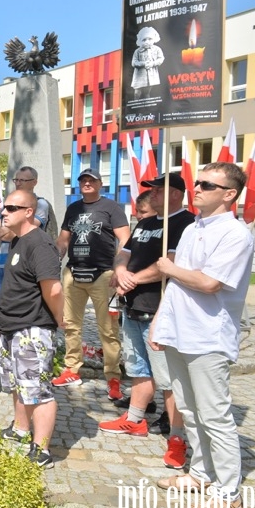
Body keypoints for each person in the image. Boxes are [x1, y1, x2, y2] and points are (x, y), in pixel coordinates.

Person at [152, 163, 255, 508]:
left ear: (229, 194)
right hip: (179, 330)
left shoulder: (235, 234)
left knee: (215, 416)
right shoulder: (195, 227)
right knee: (190, 410)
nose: (197, 188)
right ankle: (201, 473)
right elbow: (179, 283)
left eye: (207, 185)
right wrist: (160, 323)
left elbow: (210, 283)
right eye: (198, 182)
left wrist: (169, 268)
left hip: (208, 335)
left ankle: (228, 496)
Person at [99, 174, 195, 473]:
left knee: (168, 381)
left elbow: (170, 265)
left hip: (161, 311)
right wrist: (121, 270)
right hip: (133, 307)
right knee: (138, 368)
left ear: (176, 194)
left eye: (158, 190)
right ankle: (136, 418)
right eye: (151, 190)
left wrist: (131, 279)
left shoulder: (185, 224)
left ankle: (177, 439)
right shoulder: (146, 223)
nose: (151, 194)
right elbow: (124, 253)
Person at [0, 190, 63, 468]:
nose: (4, 212)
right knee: (18, 385)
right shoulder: (18, 240)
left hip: (32, 329)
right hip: (12, 326)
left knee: (37, 390)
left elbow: (53, 288)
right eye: (4, 207)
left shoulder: (40, 244)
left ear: (29, 212)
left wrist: (60, 319)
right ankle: (21, 429)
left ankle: (41, 449)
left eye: (12, 208)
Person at [53, 168, 130, 400]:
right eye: (83, 180)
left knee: (108, 329)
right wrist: (54, 260)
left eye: (91, 180)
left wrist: (120, 267)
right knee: (70, 325)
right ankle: (71, 369)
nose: (87, 183)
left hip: (103, 274)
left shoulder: (111, 207)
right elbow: (63, 240)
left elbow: (125, 239)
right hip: (74, 272)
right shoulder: (74, 208)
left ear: (100, 184)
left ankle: (113, 377)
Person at [0, 166, 55, 357]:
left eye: (24, 180)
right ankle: (2, 352)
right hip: (2, 263)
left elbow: (23, 231)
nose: (19, 183)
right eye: (16, 180)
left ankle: (24, 352)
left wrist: (7, 232)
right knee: (0, 311)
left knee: (25, 310)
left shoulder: (41, 204)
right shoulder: (8, 203)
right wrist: (10, 231)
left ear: (34, 182)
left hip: (25, 263)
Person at [131, 26, 164, 100]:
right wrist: (143, 64)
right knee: (137, 91)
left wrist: (153, 63)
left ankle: (147, 104)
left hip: (151, 74)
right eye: (144, 39)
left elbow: (161, 58)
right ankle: (136, 103)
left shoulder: (157, 49)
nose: (147, 41)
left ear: (154, 39)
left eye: (150, 39)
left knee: (147, 91)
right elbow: (133, 62)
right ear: (140, 41)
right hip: (140, 76)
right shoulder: (137, 51)